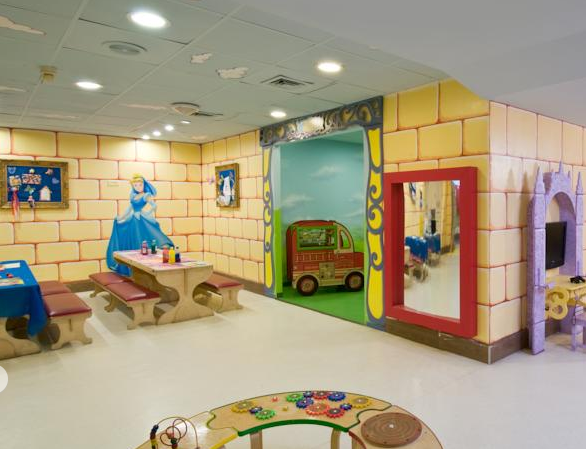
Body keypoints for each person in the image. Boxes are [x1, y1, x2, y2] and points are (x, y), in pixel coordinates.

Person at [106, 174, 174, 275]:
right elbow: (130, 208)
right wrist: (120, 217)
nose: (138, 187)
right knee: (132, 242)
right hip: (133, 220)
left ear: (144, 185)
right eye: (135, 185)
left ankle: (145, 270)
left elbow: (154, 206)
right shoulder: (133, 196)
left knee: (142, 241)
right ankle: (132, 270)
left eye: (140, 185)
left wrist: (147, 214)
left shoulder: (146, 195)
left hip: (140, 220)